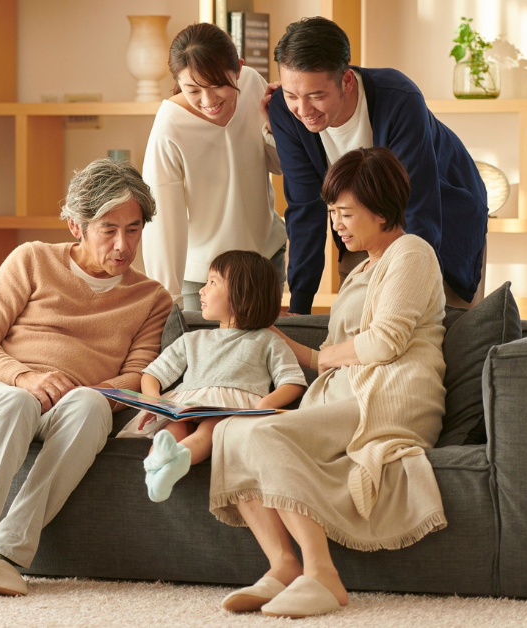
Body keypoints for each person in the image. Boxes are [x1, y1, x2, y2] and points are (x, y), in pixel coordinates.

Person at [0, 159, 173, 605]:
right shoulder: (32, 259)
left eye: (133, 230)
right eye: (108, 229)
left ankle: (7, 556)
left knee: (93, 406)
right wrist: (24, 376)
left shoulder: (151, 298)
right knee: (16, 404)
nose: (122, 245)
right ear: (77, 225)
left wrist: (92, 391)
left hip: (74, 409)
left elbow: (139, 373)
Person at [210, 148, 448, 618]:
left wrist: (321, 359)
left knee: (263, 431)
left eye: (345, 213)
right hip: (346, 392)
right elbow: (332, 357)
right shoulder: (361, 267)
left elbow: (383, 343)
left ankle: (323, 576)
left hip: (388, 393)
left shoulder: (412, 253)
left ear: (381, 210)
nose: (336, 223)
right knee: (229, 430)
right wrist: (271, 335)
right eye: (332, 213)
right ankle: (282, 566)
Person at [263, 17, 487, 314]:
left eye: (316, 96)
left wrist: (416, 284)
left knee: (437, 328)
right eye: (292, 95)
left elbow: (419, 203)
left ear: (346, 80)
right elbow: (305, 207)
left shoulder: (398, 98)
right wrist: (299, 307)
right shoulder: (284, 112)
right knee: (355, 321)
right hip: (363, 225)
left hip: (441, 217)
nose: (303, 111)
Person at [117, 250, 307, 502]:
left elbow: (292, 381)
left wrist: (266, 405)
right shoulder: (192, 339)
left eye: (212, 282)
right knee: (174, 428)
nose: (201, 290)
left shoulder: (267, 340)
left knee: (210, 429)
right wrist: (155, 402)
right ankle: (156, 470)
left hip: (229, 410)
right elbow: (152, 374)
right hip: (185, 406)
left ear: (242, 293)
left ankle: (175, 461)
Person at [142, 22, 287, 311]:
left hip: (264, 258)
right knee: (204, 356)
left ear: (239, 69)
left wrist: (277, 126)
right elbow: (162, 222)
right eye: (193, 90)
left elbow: (279, 166)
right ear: (177, 82)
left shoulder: (253, 84)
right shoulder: (170, 126)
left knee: (261, 352)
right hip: (203, 277)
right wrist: (167, 300)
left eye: (218, 85)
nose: (208, 101)